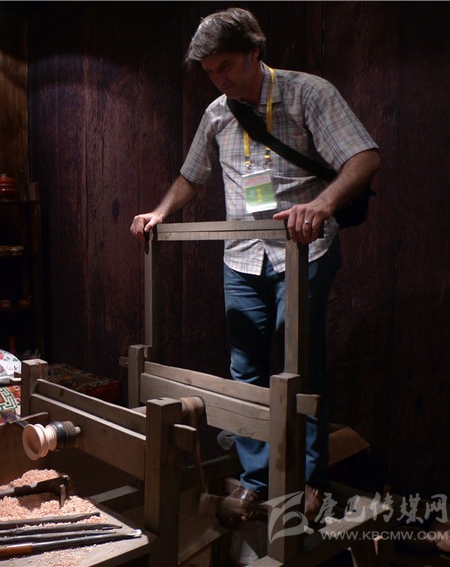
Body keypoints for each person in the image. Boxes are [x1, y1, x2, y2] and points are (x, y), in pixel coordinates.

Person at [130, 8, 380, 529]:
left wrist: (323, 205)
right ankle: (256, 479)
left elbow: (364, 157)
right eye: (210, 72)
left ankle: (308, 478)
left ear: (254, 53)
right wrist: (160, 212)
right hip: (242, 256)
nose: (220, 80)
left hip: (303, 251)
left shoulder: (308, 93)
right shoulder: (217, 113)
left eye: (227, 67)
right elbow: (191, 175)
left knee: (297, 362)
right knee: (244, 367)